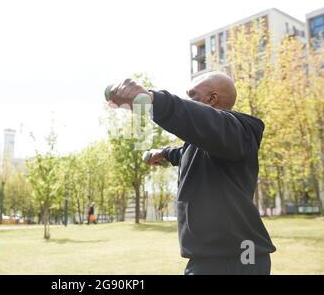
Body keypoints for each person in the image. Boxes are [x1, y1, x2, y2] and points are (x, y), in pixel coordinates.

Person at [108, 71, 276, 275]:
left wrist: (153, 99)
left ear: (212, 99)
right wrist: (164, 153)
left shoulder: (238, 131)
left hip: (239, 258)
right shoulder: (210, 142)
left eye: (193, 95)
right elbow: (187, 151)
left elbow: (200, 120)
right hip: (211, 257)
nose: (188, 100)